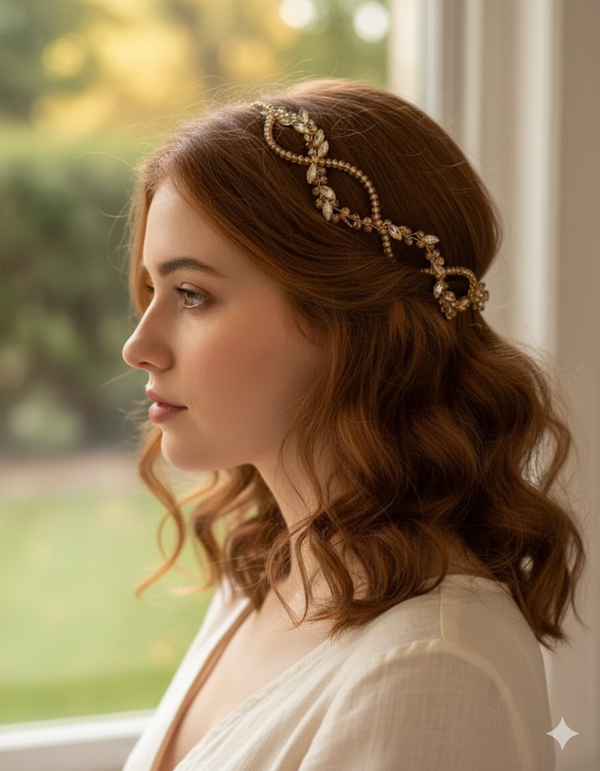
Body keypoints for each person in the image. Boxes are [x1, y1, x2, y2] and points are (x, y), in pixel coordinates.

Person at [120, 79, 585, 771]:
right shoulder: (267, 573)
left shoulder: (429, 669)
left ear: (347, 321)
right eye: (152, 290)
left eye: (192, 294)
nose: (138, 345)